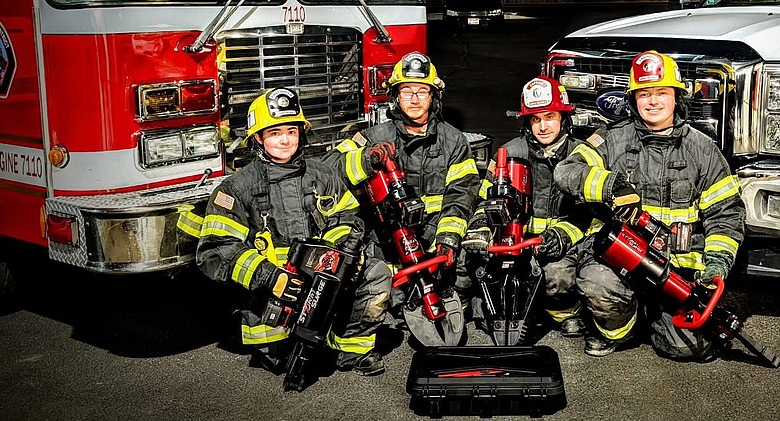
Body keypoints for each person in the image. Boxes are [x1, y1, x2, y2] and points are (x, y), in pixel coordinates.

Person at [553, 50, 745, 361]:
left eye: (661, 93)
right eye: (644, 94)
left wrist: (715, 269)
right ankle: (621, 330)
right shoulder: (613, 139)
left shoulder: (703, 150)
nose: (652, 102)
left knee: (687, 348)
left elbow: (725, 217)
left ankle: (656, 318)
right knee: (597, 282)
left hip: (676, 273)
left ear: (677, 98)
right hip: (622, 263)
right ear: (633, 100)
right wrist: (613, 187)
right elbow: (567, 171)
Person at [195, 87, 391, 377]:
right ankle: (279, 344)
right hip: (274, 290)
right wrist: (269, 277)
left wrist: (336, 257)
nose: (285, 139)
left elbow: (347, 214)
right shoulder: (236, 189)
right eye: (274, 133)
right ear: (258, 138)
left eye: (291, 131)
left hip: (324, 279)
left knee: (375, 272)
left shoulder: (321, 175)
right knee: (281, 358)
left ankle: (351, 349)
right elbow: (215, 250)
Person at [328, 51, 480, 334]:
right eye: (406, 90)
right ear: (395, 96)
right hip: (385, 241)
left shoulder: (454, 140)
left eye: (422, 91)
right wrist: (365, 159)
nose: (414, 98)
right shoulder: (372, 137)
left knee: (464, 271)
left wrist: (448, 239)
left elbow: (462, 193)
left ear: (434, 97)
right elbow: (328, 172)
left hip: (433, 236)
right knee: (377, 289)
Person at [461, 76, 594, 338]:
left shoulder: (582, 155)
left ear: (564, 119)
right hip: (516, 241)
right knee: (485, 268)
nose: (543, 127)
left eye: (549, 117)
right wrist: (480, 226)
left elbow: (591, 213)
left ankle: (567, 312)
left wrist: (561, 237)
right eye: (535, 119)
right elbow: (485, 198)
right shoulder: (508, 154)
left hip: (562, 244)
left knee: (556, 277)